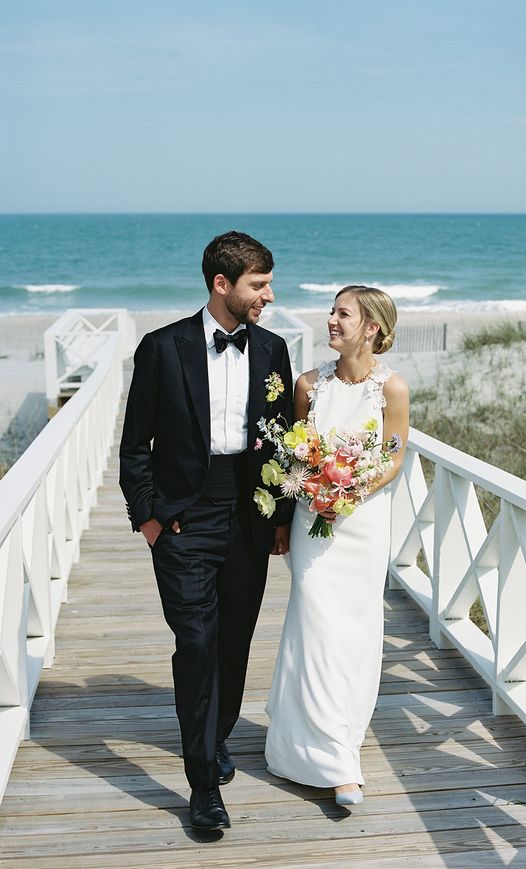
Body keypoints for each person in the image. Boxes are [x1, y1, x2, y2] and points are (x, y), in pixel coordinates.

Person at [119, 231, 293, 832]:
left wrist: (280, 519)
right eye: (259, 285)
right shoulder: (162, 348)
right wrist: (148, 518)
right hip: (182, 520)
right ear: (222, 285)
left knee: (234, 640)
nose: (269, 295)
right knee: (195, 642)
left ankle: (217, 735)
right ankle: (201, 789)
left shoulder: (272, 349)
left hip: (249, 516)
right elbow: (135, 444)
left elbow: (282, 442)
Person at [265, 285, 409, 806]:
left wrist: (350, 490)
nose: (330, 320)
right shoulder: (308, 386)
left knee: (355, 632)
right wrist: (304, 501)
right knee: (315, 624)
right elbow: (295, 451)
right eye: (331, 311)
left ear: (371, 326)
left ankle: (336, 737)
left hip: (363, 526)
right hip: (310, 523)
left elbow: (392, 458)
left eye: (342, 314)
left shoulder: (392, 390)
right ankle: (336, 764)